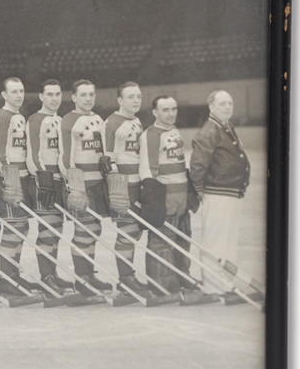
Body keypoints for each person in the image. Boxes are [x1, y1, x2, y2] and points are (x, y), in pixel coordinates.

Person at [188, 90, 253, 292]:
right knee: (215, 242)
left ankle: (226, 283)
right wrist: (201, 192)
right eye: (222, 103)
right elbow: (197, 166)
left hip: (230, 194)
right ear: (212, 107)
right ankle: (214, 286)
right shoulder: (210, 130)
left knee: (228, 243)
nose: (227, 107)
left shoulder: (226, 127)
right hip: (217, 194)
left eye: (230, 103)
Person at [58, 79, 114, 295]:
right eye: (83, 95)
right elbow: (65, 157)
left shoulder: (99, 119)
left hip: (99, 184)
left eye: (91, 94)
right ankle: (81, 279)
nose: (88, 99)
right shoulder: (69, 120)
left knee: (95, 229)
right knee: (83, 231)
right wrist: (75, 187)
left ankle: (89, 274)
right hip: (81, 186)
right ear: (74, 98)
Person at [139, 95, 198, 292]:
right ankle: (161, 283)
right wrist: (154, 200)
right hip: (165, 197)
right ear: (155, 112)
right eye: (165, 110)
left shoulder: (174, 131)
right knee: (162, 241)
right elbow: (147, 169)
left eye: (174, 109)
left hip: (181, 196)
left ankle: (181, 277)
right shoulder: (151, 134)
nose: (171, 113)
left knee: (182, 239)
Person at [102, 81, 151, 295]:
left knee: (135, 232)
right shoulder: (112, 122)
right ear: (120, 100)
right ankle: (125, 279)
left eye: (138, 96)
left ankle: (129, 275)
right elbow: (108, 159)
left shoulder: (137, 121)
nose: (136, 100)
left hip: (138, 185)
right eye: (131, 97)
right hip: (123, 188)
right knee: (127, 232)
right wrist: (117, 189)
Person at [0, 77, 37, 295]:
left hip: (23, 177)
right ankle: (5, 279)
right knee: (13, 227)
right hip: (8, 179)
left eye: (21, 90)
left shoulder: (19, 116)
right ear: (4, 95)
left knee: (22, 227)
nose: (19, 95)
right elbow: (0, 153)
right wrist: (9, 181)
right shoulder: (1, 115)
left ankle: (14, 275)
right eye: (14, 91)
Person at [26, 79, 73, 291]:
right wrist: (43, 180)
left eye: (57, 94)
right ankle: (46, 277)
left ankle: (52, 273)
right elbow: (33, 154)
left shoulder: (61, 120)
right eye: (50, 94)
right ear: (41, 97)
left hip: (59, 182)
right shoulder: (36, 120)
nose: (54, 99)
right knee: (47, 230)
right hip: (45, 183)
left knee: (56, 229)